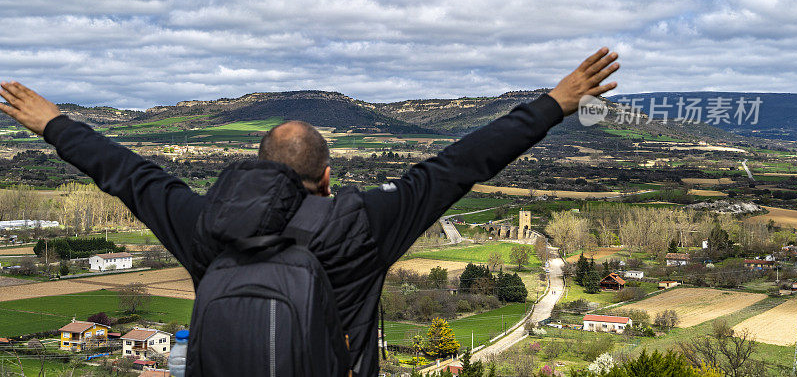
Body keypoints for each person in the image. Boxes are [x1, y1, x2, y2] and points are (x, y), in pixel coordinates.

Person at [0, 48, 618, 375]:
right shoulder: (363, 227)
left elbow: (127, 174)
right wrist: (554, 104)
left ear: (257, 165)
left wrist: (52, 122)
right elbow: (461, 165)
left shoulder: (204, 225)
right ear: (326, 176)